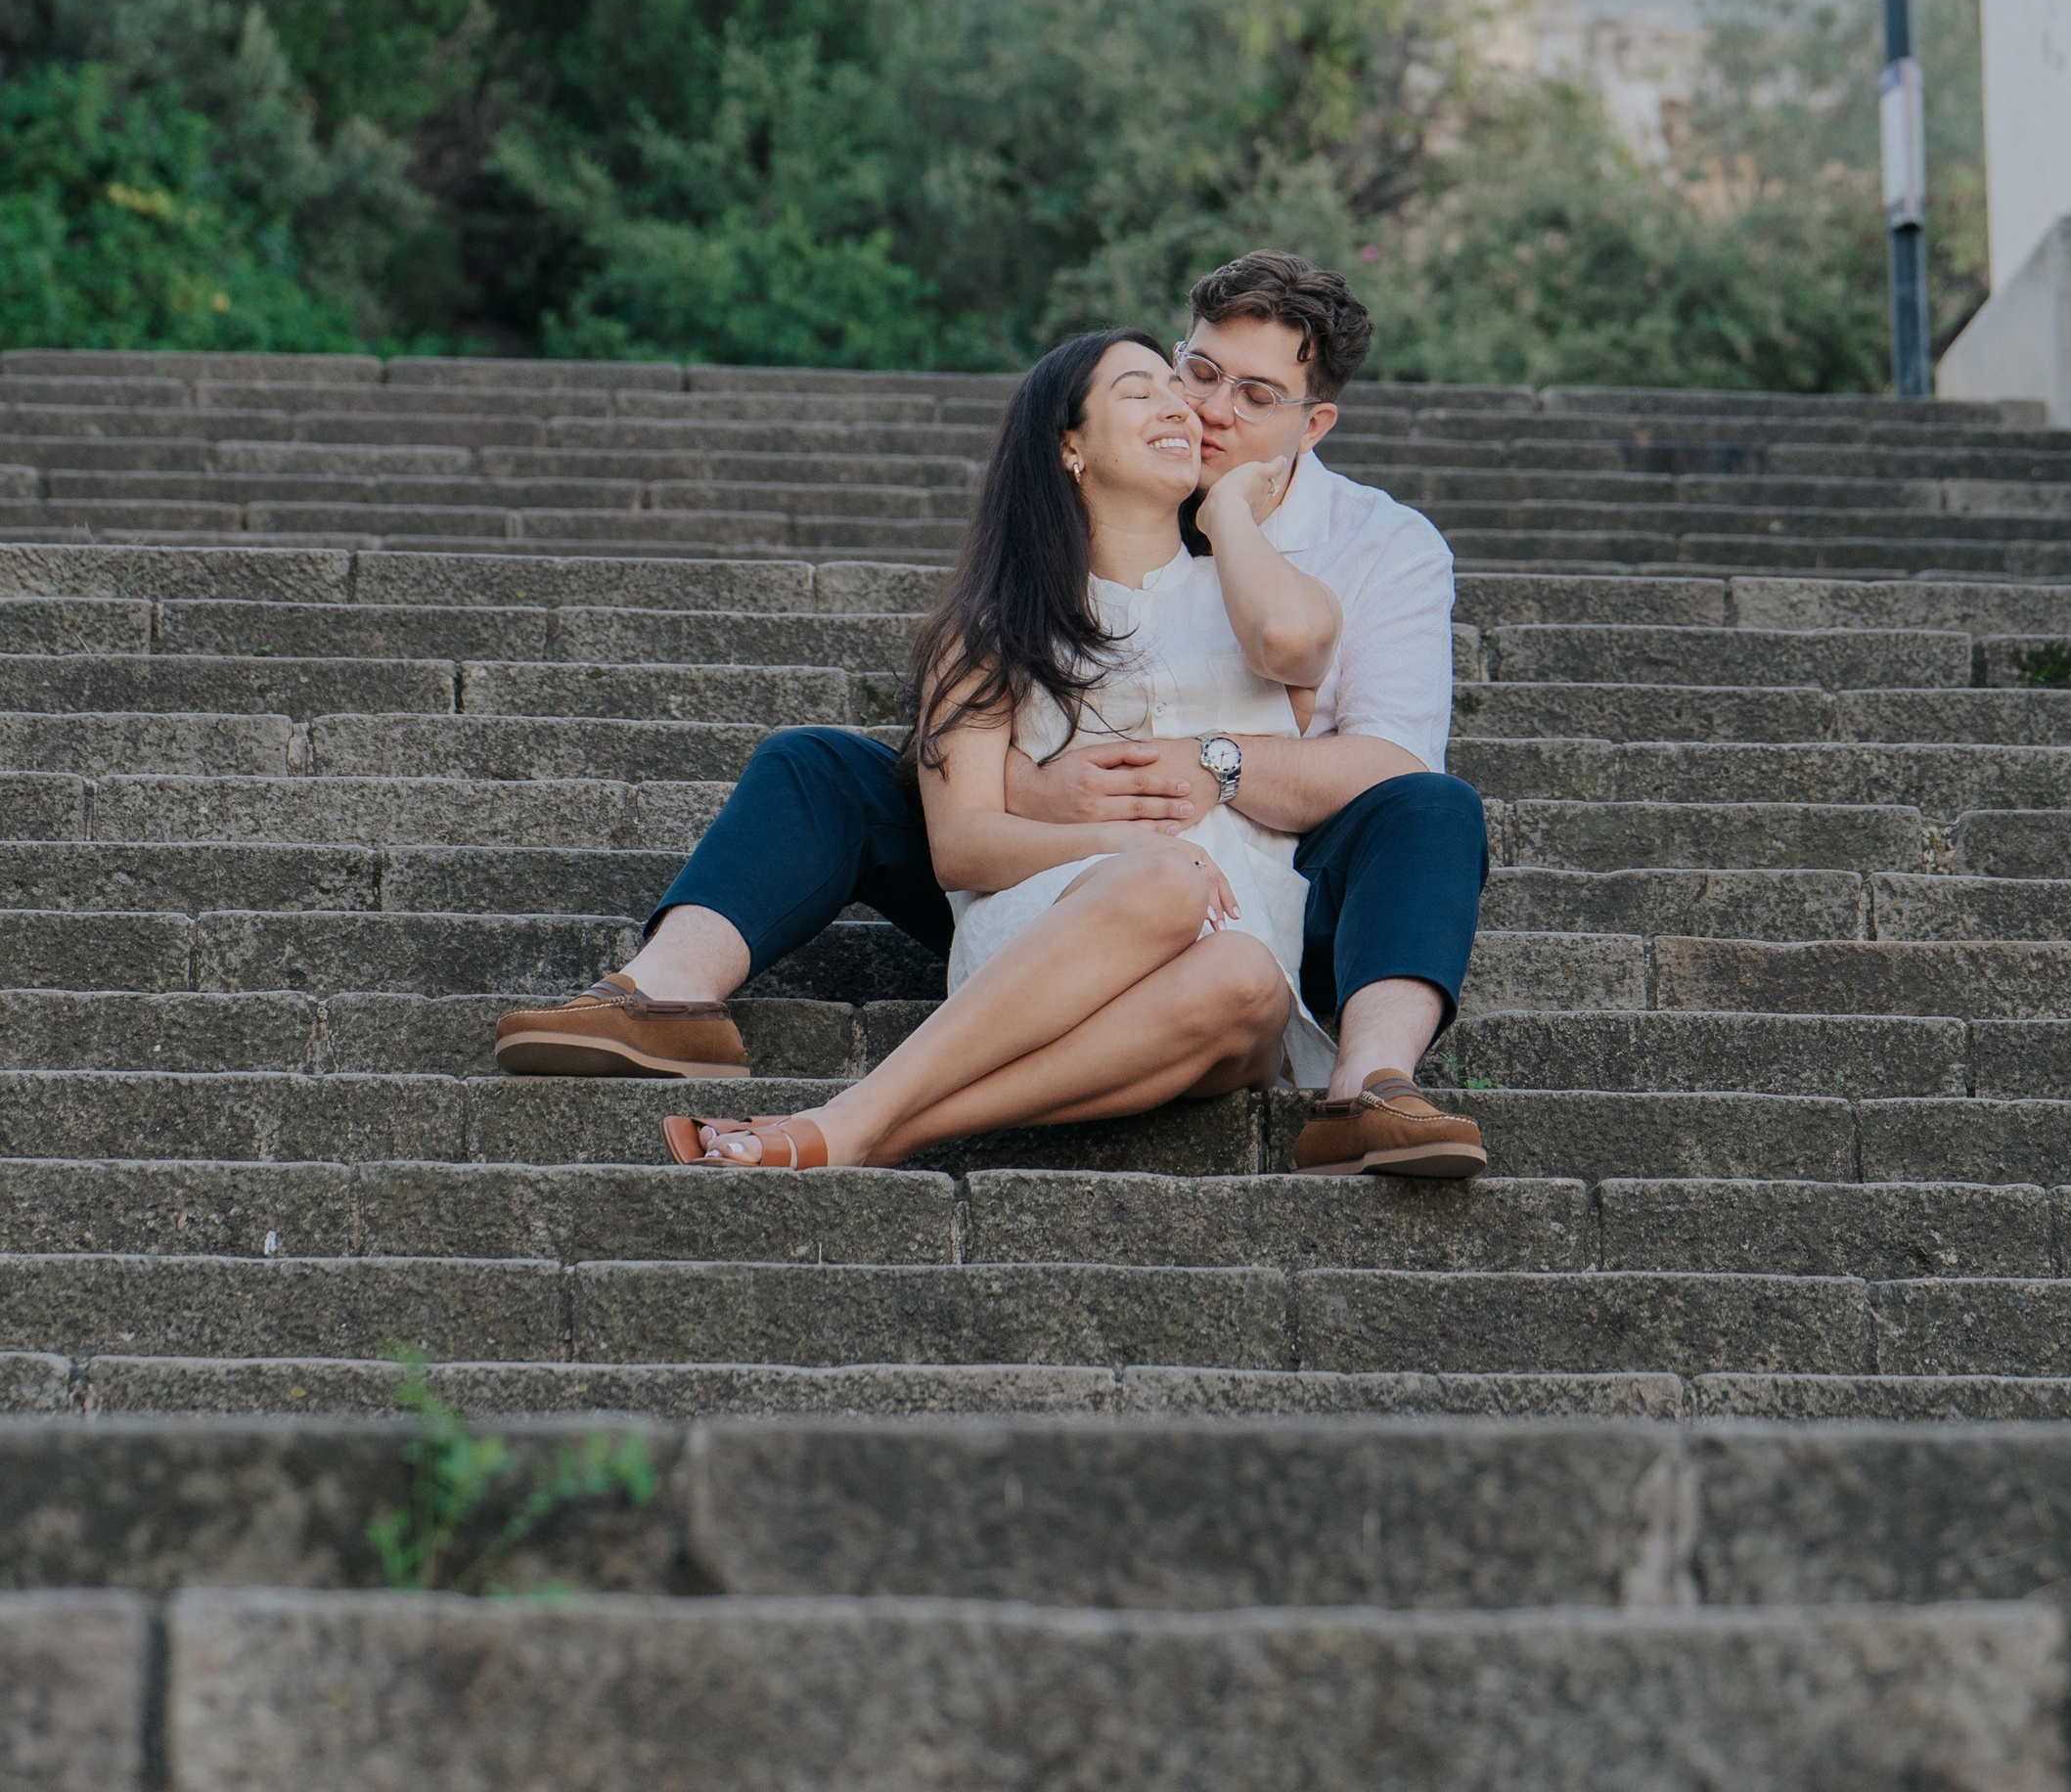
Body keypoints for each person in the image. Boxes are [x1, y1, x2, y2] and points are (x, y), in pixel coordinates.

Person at [492, 251, 1489, 1176]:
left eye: (1256, 395)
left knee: (1421, 816)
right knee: (822, 766)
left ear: (1312, 425)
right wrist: (1041, 792)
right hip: (1069, 877)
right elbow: (967, 808)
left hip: (1274, 883)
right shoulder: (1067, 538)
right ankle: (664, 990)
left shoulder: (1368, 547)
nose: (1207, 411)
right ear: (1077, 441)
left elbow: (1384, 751)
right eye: (1192, 372)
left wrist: (1213, 757)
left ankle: (1366, 1087)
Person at [661, 329, 1332, 1168]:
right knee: (1169, 877)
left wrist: (1227, 508)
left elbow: (1295, 644)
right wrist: (1128, 844)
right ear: (1070, 445)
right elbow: (963, 844)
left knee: (1244, 977)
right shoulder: (990, 631)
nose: (1180, 405)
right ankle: (860, 1124)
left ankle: (870, 1121)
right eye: (1137, 391)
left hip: (1233, 977)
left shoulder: (1264, 603)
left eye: (1176, 386)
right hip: (1051, 943)